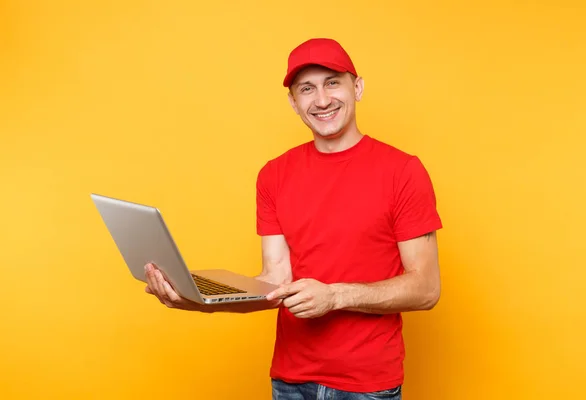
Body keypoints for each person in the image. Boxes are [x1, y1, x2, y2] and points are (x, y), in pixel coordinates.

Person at [144, 38, 442, 400]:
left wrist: (335, 296)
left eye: (333, 82)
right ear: (294, 103)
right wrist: (196, 300)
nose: (321, 100)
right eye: (307, 89)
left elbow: (426, 288)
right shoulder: (274, 175)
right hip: (290, 381)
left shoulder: (403, 171)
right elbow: (276, 280)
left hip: (366, 386)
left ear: (357, 87)